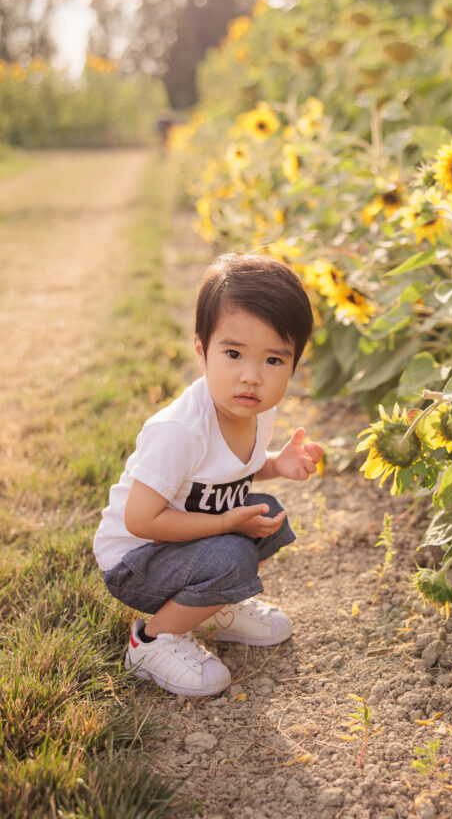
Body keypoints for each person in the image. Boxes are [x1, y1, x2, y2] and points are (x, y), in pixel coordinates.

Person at [93, 252, 323, 698]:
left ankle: (210, 609)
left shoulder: (257, 411)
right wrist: (226, 523)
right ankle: (153, 641)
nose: (251, 377)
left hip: (182, 544)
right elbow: (141, 521)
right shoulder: (180, 431)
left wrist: (276, 464)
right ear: (202, 350)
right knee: (233, 554)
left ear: (295, 362)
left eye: (274, 360)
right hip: (136, 558)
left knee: (269, 516)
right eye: (233, 353)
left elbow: (232, 468)